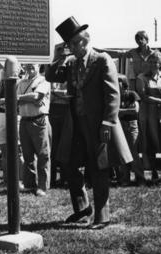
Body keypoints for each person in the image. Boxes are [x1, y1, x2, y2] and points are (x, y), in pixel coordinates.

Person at [45, 16, 132, 229]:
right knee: (70, 165)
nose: (72, 48)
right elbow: (50, 76)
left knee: (98, 167)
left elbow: (113, 94)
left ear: (85, 40)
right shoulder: (72, 63)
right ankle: (83, 209)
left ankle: (103, 215)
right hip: (75, 124)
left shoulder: (102, 60)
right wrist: (58, 56)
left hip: (98, 124)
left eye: (74, 44)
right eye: (69, 45)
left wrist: (108, 122)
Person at [136, 50, 161, 184]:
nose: (153, 64)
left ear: (160, 63)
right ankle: (154, 173)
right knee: (151, 142)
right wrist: (160, 101)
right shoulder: (142, 78)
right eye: (150, 61)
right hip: (148, 115)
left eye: (155, 62)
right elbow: (143, 95)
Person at [17, 63, 51, 197]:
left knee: (43, 155)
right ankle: (29, 184)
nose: (30, 67)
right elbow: (17, 100)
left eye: (33, 64)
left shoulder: (43, 81)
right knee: (27, 154)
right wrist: (28, 98)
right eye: (28, 65)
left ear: (38, 66)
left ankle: (42, 186)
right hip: (24, 120)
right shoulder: (21, 82)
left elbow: (37, 97)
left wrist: (22, 98)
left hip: (39, 119)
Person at [49, 44, 73, 188]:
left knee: (66, 145)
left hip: (67, 110)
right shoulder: (53, 70)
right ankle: (51, 179)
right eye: (61, 55)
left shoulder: (70, 69)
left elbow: (70, 93)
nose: (63, 58)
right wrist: (65, 95)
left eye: (65, 55)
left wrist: (62, 94)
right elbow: (52, 91)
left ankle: (65, 177)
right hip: (55, 110)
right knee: (53, 146)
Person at [117, 74, 146, 186]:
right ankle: (125, 178)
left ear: (124, 84)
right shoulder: (115, 96)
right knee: (122, 152)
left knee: (133, 152)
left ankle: (140, 178)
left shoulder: (132, 94)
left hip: (131, 125)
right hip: (120, 125)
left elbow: (135, 110)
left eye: (118, 82)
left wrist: (119, 111)